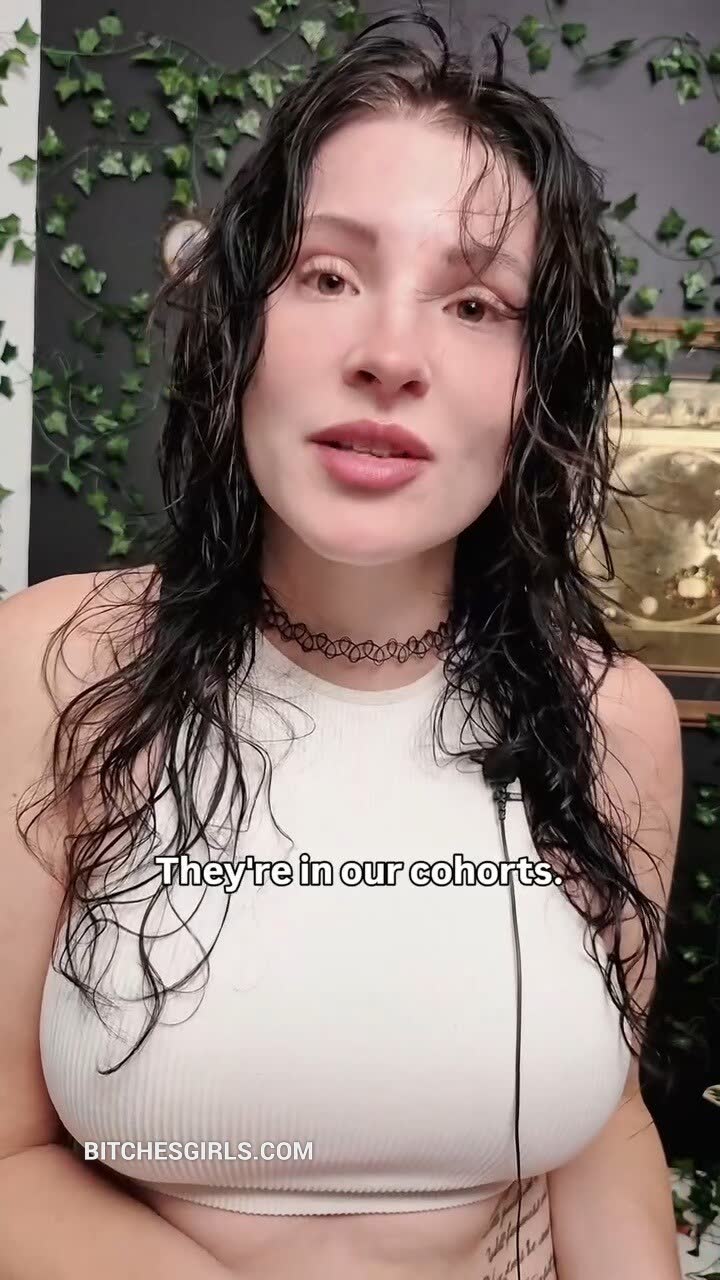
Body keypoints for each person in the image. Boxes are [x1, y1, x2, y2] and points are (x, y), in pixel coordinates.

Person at [0, 7, 684, 1279]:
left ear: (537, 386)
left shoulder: (615, 722)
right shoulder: (55, 665)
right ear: (239, 325)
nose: (390, 355)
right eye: (327, 274)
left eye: (475, 301)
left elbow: (607, 1124)